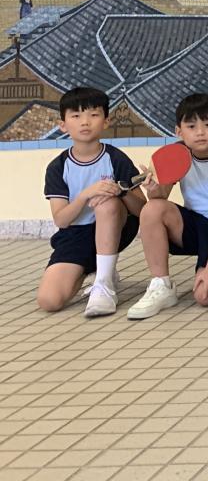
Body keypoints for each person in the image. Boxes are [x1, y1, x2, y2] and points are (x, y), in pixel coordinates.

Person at [126, 94, 208, 320]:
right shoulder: (175, 153)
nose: (200, 132)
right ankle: (161, 285)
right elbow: (159, 198)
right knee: (152, 209)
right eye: (191, 126)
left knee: (206, 296)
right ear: (179, 131)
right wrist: (153, 188)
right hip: (197, 224)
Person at [37, 87, 145, 316]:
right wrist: (85, 194)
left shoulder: (115, 158)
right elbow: (62, 220)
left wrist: (120, 192)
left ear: (106, 121)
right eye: (76, 116)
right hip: (75, 236)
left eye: (93, 115)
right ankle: (94, 270)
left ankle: (104, 285)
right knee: (49, 301)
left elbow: (142, 209)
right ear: (63, 125)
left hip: (115, 227)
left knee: (107, 203)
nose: (85, 122)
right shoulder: (57, 167)